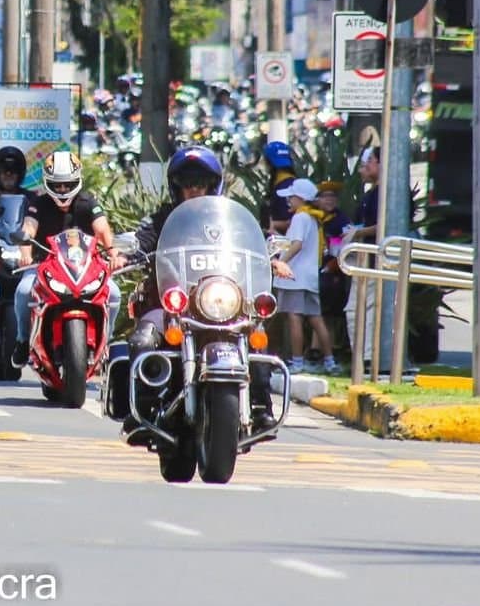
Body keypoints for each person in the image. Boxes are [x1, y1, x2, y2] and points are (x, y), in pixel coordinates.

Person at [125, 146, 284, 433]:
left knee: (255, 333)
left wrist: (271, 258)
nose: (194, 189)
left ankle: (260, 405)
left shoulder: (230, 221)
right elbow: (143, 237)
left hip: (220, 302)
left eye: (200, 182)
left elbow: (255, 243)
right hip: (174, 304)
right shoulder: (163, 218)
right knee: (143, 339)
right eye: (187, 183)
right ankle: (142, 411)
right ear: (177, 187)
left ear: (213, 185)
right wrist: (130, 253)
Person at [11, 151, 115, 367]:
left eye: (67, 184)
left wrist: (114, 254)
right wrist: (25, 254)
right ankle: (22, 341)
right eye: (57, 185)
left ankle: (107, 342)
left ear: (77, 180)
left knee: (114, 292)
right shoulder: (38, 204)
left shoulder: (88, 202)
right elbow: (28, 228)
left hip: (86, 267)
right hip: (44, 265)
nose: (62, 189)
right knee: (23, 291)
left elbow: (103, 229)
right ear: (48, 183)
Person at [273, 177, 336, 374]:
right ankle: (330, 362)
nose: (289, 200)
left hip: (295, 278)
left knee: (294, 318)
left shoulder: (300, 218)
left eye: (291, 197)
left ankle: (297, 362)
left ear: (300, 198)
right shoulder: (313, 218)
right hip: (310, 278)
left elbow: (297, 244)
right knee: (316, 319)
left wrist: (281, 261)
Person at [313, 180, 353, 357]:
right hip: (313, 269)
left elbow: (343, 246)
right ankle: (316, 348)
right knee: (316, 311)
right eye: (325, 196)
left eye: (332, 197)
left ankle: (328, 349)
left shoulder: (341, 220)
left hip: (332, 272)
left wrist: (332, 266)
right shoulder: (312, 217)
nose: (329, 200)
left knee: (329, 312)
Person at [259, 140, 297, 234]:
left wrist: (270, 225)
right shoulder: (291, 183)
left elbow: (291, 221)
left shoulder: (283, 188)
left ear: (269, 163)